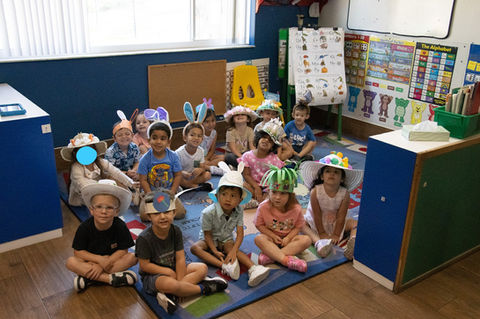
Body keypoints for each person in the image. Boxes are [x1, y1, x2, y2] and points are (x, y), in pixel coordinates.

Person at [135, 191, 228, 314]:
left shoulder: (176, 230)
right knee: (172, 285)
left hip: (175, 268)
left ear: (173, 213)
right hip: (154, 276)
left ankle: (172, 294)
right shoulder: (143, 238)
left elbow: (180, 258)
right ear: (149, 216)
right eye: (157, 213)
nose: (163, 217)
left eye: (167, 212)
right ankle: (205, 288)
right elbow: (144, 265)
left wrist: (179, 281)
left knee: (202, 268)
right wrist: (167, 272)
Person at [190, 162, 270, 287]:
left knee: (230, 248)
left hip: (226, 238)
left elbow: (240, 233)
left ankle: (254, 268)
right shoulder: (208, 212)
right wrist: (213, 250)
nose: (228, 199)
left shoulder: (238, 210)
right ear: (217, 196)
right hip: (208, 239)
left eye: (233, 196)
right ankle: (224, 266)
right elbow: (208, 235)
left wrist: (233, 251)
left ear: (240, 200)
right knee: (195, 248)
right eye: (224, 194)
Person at [65, 179, 138, 292]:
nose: (104, 211)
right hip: (91, 262)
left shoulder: (120, 226)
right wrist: (99, 260)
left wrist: (104, 264)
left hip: (112, 262)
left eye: (109, 207)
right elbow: (78, 252)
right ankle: (109, 279)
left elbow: (124, 250)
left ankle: (89, 278)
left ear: (116, 211)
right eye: (99, 207)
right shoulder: (84, 228)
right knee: (71, 262)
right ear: (92, 210)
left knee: (133, 257)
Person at [299, 151, 364, 260]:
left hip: (336, 223)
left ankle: (353, 241)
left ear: (342, 178)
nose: (331, 174)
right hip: (316, 223)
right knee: (300, 223)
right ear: (322, 176)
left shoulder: (345, 194)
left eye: (336, 172)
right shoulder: (315, 192)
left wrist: (336, 234)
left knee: (355, 223)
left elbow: (341, 216)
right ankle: (318, 242)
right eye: (328, 171)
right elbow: (317, 215)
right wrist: (322, 233)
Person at [254, 165, 311, 273]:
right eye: (274, 192)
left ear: (290, 195)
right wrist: (273, 236)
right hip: (270, 239)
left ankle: (271, 256)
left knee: (307, 240)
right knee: (259, 239)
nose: (277, 197)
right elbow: (259, 225)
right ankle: (285, 260)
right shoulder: (263, 207)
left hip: (289, 241)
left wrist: (289, 238)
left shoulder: (296, 208)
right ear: (269, 192)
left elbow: (298, 226)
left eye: (283, 193)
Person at [61, 132, 135, 207]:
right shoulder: (76, 167)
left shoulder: (100, 161)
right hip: (84, 196)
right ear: (76, 154)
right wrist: (105, 186)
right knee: (107, 188)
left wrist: (131, 183)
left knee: (112, 177)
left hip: (101, 188)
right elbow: (83, 184)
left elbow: (115, 172)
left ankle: (129, 197)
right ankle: (115, 200)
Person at [137, 108, 186, 221]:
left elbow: (178, 175)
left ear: (168, 142)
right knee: (144, 216)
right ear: (149, 141)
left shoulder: (173, 156)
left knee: (180, 213)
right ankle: (158, 211)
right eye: (154, 138)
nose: (158, 142)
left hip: (168, 192)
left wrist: (172, 192)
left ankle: (161, 212)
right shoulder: (145, 159)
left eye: (163, 139)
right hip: (151, 193)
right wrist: (150, 195)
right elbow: (143, 180)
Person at [240, 118, 285, 209]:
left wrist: (267, 191)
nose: (266, 141)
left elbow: (276, 179)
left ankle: (257, 202)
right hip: (252, 186)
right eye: (264, 137)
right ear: (258, 137)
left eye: (270, 140)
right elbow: (246, 174)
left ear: (273, 146)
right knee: (241, 185)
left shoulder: (274, 160)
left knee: (277, 191)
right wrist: (256, 188)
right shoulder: (247, 156)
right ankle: (258, 202)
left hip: (267, 188)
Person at [175, 101, 212, 190]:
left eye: (199, 136)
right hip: (182, 176)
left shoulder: (200, 151)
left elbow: (200, 165)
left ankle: (189, 185)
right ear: (185, 137)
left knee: (207, 175)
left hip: (193, 176)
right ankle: (191, 186)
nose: (196, 138)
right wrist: (184, 173)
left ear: (202, 139)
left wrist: (199, 170)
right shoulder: (179, 153)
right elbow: (175, 170)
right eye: (192, 135)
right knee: (176, 178)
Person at [105, 110, 141, 181]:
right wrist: (127, 174)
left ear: (132, 136)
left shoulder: (134, 147)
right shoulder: (110, 152)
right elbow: (110, 171)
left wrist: (133, 171)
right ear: (114, 138)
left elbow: (137, 162)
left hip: (132, 174)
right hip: (117, 176)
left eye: (127, 134)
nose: (124, 137)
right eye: (120, 135)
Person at [197, 101, 225, 175]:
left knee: (224, 157)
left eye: (213, 121)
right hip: (197, 158)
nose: (210, 124)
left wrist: (207, 158)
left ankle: (207, 166)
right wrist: (204, 159)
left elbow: (212, 150)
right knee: (195, 164)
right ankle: (209, 167)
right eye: (207, 122)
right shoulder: (198, 134)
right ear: (200, 122)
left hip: (208, 157)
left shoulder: (214, 133)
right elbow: (195, 152)